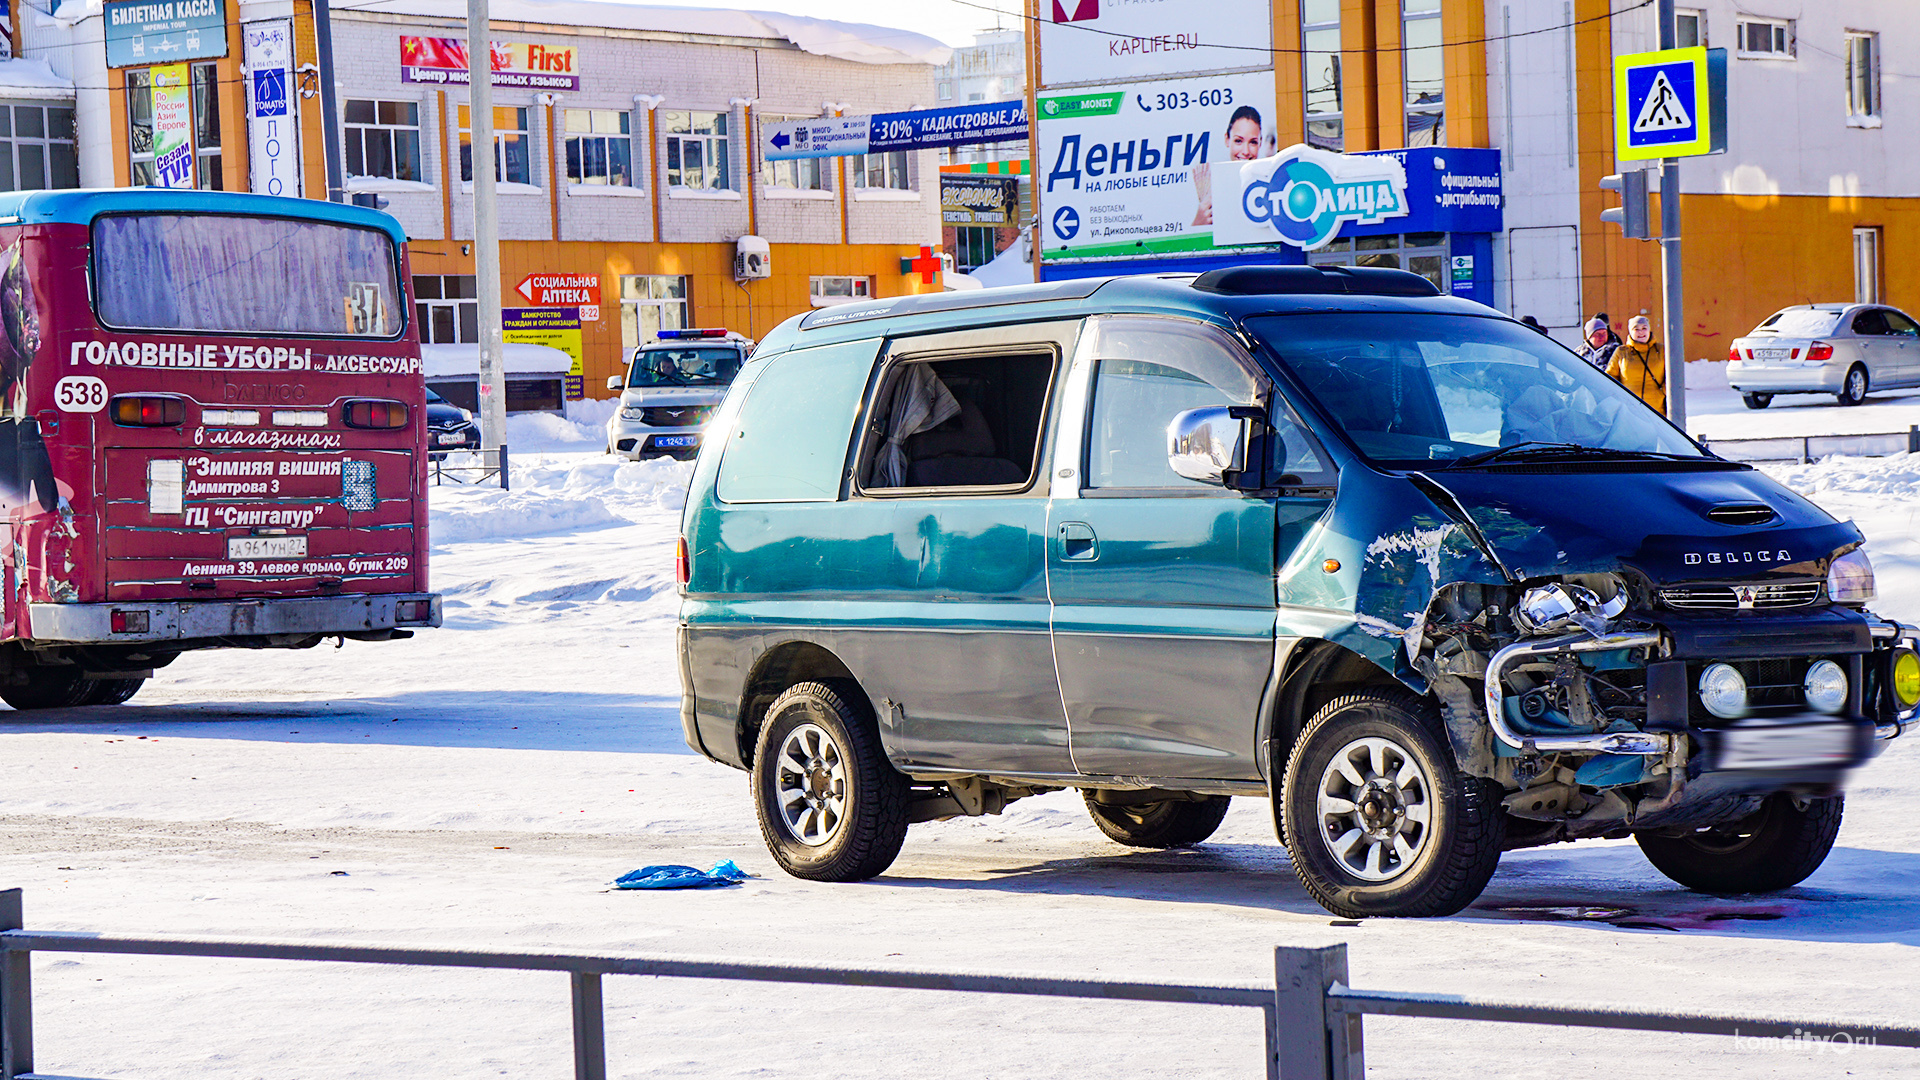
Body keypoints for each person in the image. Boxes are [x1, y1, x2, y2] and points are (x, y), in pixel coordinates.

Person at [1191, 106, 1265, 226]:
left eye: (1253, 142)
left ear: (1260, 142)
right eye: (1238, 141)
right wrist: (1199, 222)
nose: (1245, 151)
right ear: (1227, 139)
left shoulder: (1270, 185)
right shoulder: (1207, 186)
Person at [1607, 315, 1668, 414]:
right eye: (1636, 329)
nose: (1641, 332)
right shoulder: (1621, 352)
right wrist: (1620, 396)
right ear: (1630, 332)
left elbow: (1673, 376)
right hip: (1629, 410)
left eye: (1644, 328)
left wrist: (1662, 393)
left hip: (1657, 411)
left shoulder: (1662, 350)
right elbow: (1610, 377)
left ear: (1649, 330)